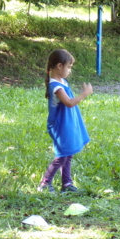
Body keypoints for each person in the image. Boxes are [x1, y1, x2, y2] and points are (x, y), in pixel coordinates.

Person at [38, 49, 92, 193]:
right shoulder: (56, 86)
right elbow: (69, 103)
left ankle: (66, 184)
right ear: (59, 66)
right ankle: (45, 183)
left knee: (68, 153)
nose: (69, 70)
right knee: (62, 155)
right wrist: (84, 94)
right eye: (68, 67)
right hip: (59, 125)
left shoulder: (62, 81)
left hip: (67, 123)